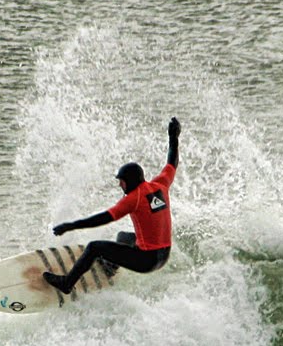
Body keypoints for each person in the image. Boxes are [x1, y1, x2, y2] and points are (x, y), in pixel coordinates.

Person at [43, 117, 181, 294]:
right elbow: (172, 162)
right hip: (163, 255)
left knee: (94, 247)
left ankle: (67, 283)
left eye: (121, 182)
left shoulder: (134, 198)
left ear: (130, 181)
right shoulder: (161, 184)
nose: (120, 185)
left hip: (146, 261)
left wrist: (70, 226)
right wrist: (173, 136)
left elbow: (103, 218)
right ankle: (110, 268)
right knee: (123, 236)